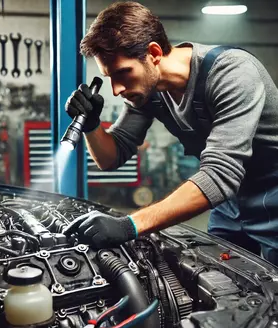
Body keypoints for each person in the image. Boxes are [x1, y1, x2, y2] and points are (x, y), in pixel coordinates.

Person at [63, 1, 278, 265]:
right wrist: (92, 125)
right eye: (109, 77)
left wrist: (129, 225)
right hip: (230, 200)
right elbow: (111, 157)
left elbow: (220, 174)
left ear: (154, 53)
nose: (117, 90)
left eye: (123, 73)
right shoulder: (148, 91)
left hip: (273, 194)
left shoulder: (232, 73)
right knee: (222, 277)